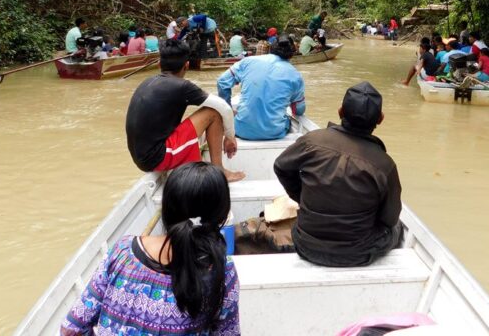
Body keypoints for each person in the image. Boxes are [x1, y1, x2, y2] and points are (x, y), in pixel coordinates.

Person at [61, 162, 240, 335]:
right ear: (222, 214)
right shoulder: (221, 269)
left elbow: (71, 329)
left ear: (166, 210)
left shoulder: (122, 251)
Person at [273, 82, 402, 267]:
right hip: (357, 254)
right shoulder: (385, 165)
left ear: (340, 112)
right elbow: (389, 218)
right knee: (397, 228)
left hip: (306, 244)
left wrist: (302, 197)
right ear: (380, 119)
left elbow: (281, 166)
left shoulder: (312, 140)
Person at [126, 39, 244, 182]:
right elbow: (223, 107)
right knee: (213, 112)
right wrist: (230, 137)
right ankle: (219, 170)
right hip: (157, 158)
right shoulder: (182, 86)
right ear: (186, 65)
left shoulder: (147, 82)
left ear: (159, 64)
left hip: (140, 159)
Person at [217, 35, 306, 140]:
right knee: (286, 120)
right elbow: (298, 111)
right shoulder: (296, 75)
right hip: (275, 132)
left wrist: (228, 111)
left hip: (241, 130)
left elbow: (222, 82)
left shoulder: (248, 62)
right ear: (292, 54)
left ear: (271, 48)